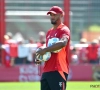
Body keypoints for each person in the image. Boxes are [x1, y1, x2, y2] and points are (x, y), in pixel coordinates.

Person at [35, 6, 70, 90]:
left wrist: (45, 50)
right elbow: (48, 50)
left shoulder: (64, 29)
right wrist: (40, 57)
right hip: (46, 70)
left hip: (58, 70)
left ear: (61, 15)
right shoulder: (49, 32)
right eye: (51, 15)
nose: (52, 16)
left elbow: (63, 43)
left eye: (54, 14)